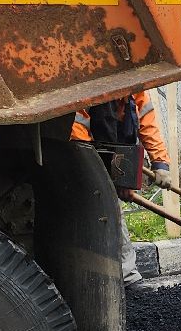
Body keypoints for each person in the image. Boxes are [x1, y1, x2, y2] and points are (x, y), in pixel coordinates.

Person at [74, 92, 175, 285]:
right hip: (83, 157)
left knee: (113, 211)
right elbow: (78, 137)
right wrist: (111, 179)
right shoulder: (86, 91)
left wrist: (160, 163)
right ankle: (118, 278)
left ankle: (126, 277)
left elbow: (147, 125)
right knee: (104, 211)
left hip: (113, 150)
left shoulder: (136, 90)